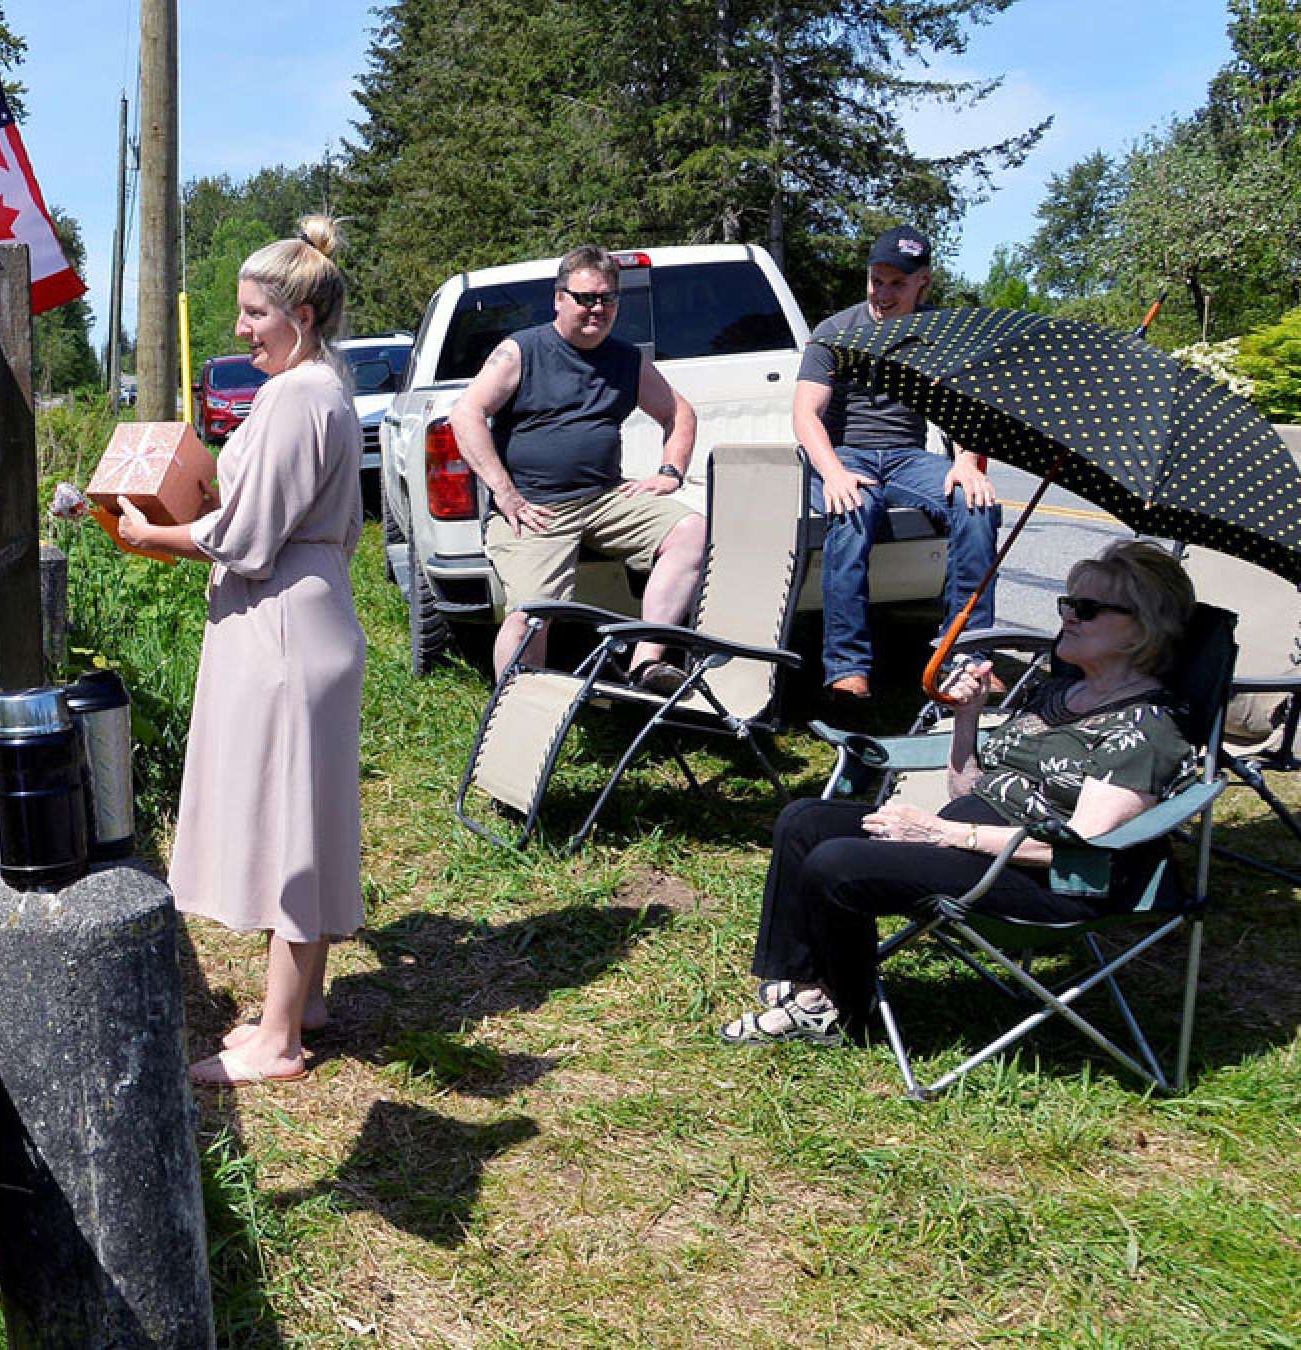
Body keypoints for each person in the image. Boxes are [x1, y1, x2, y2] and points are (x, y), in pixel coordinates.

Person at [719, 541, 1200, 1044]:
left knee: (838, 861)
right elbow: (972, 787)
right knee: (805, 820)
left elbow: (1079, 849)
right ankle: (807, 984)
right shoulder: (1064, 693)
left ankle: (842, 1010)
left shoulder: (1146, 730)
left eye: (1087, 609)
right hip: (975, 842)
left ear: (1141, 630)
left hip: (1047, 884)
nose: (1068, 617)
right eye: (1067, 604)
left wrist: (939, 832)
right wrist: (966, 720)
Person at [113, 216, 366, 1086]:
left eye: (254, 312)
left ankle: (279, 1039)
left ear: (300, 311)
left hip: (283, 627)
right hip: (305, 612)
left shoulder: (295, 396)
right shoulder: (325, 385)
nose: (240, 329)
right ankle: (306, 1000)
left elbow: (248, 539)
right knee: (307, 813)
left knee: (291, 824)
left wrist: (154, 534)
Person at [448, 245, 706, 689]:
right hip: (536, 508)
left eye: (607, 298)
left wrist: (670, 472)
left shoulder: (627, 360)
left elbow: (679, 413)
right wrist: (504, 492)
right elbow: (466, 414)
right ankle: (519, 711)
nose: (597, 308)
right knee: (532, 612)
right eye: (585, 297)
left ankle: (647, 661)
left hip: (607, 499)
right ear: (558, 298)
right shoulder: (522, 351)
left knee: (692, 531)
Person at [796, 224, 1001, 700]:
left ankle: (965, 655)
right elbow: (806, 415)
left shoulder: (940, 335)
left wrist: (967, 462)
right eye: (877, 280)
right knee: (851, 510)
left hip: (909, 458)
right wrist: (833, 473)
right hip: (845, 453)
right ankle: (847, 667)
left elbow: (967, 410)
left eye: (897, 283)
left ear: (922, 282)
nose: (883, 293)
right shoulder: (836, 331)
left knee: (978, 505)